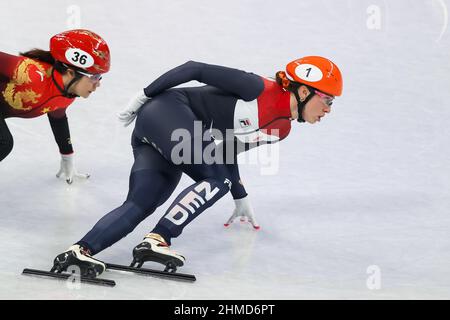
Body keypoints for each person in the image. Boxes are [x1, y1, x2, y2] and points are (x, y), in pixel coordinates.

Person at [51, 56, 343, 277]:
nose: (329, 110)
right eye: (327, 100)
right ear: (304, 92)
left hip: (169, 135)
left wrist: (240, 196)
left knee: (142, 202)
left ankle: (80, 250)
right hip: (167, 112)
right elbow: (194, 68)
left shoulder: (281, 129)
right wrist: (142, 95)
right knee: (216, 180)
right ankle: (158, 239)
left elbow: (227, 151)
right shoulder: (258, 88)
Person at [0, 29, 110, 184]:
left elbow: (58, 119)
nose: (98, 84)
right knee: (3, 142)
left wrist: (67, 156)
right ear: (71, 72)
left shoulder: (66, 95)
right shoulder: (31, 73)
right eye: (94, 77)